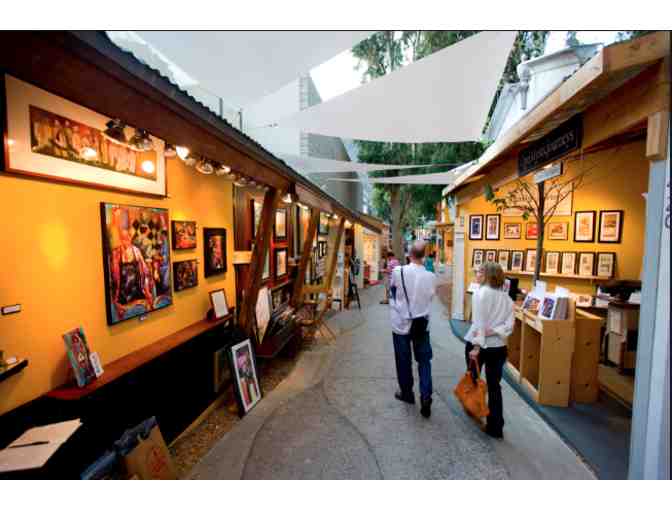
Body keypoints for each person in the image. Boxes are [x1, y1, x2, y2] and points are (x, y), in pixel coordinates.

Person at [464, 262, 514, 439]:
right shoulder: (507, 299)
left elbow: (479, 322)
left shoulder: (480, 293)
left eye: (479, 272)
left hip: (479, 346)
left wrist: (477, 346)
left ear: (487, 275)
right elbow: (509, 326)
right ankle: (496, 426)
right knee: (495, 386)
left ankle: (474, 409)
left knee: (473, 379)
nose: (477, 274)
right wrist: (494, 331)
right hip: (498, 347)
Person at [389, 241, 437, 418]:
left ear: (409, 254)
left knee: (403, 360)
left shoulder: (398, 271)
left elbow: (393, 290)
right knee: (424, 361)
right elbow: (430, 297)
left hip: (401, 322)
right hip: (421, 323)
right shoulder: (431, 277)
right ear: (424, 256)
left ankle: (407, 393)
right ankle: (426, 396)